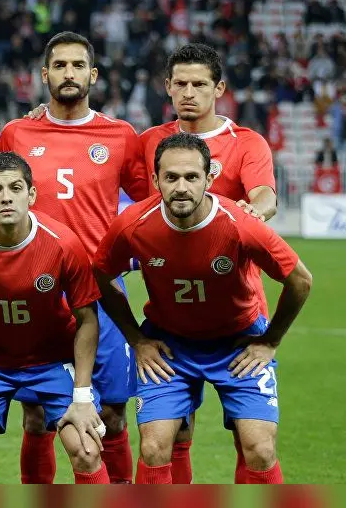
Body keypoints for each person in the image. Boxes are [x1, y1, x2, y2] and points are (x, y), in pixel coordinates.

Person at [93, 132, 312, 484]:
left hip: (238, 343)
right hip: (168, 346)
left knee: (260, 449)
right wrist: (136, 339)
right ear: (155, 180)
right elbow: (101, 275)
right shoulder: (133, 224)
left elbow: (301, 280)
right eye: (171, 177)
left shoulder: (240, 226)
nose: (181, 187)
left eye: (192, 177)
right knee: (154, 447)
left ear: (209, 179)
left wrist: (270, 341)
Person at [0, 32, 148, 483]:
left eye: (77, 66)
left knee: (115, 416)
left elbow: (147, 210)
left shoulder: (120, 136)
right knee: (38, 419)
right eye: (58, 66)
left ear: (92, 75)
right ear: (44, 75)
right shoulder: (16, 133)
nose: (68, 74)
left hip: (102, 294)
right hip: (39, 295)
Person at [139, 43, 278, 483]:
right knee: (173, 434)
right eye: (179, 83)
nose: (188, 92)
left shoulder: (246, 143)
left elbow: (263, 195)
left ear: (219, 88)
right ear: (167, 87)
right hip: (171, 317)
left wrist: (256, 213)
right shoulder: (149, 143)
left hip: (236, 313)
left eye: (199, 84)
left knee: (253, 441)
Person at [0, 152, 109, 484]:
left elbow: (87, 319)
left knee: (86, 449)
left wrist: (83, 396)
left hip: (53, 362)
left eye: (15, 187)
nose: (6, 197)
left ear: (31, 195)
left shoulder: (62, 244)